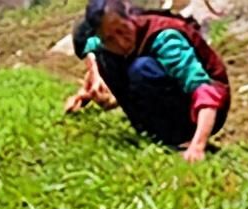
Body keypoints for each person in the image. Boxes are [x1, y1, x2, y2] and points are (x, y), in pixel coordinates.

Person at [65, 0, 231, 163]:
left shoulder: (166, 38)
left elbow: (204, 91)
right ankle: (153, 130)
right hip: (157, 103)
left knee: (142, 68)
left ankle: (182, 138)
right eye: (110, 39)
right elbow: (89, 49)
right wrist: (88, 91)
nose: (121, 42)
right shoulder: (103, 44)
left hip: (204, 109)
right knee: (106, 57)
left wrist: (198, 145)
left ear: (131, 17)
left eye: (123, 30)